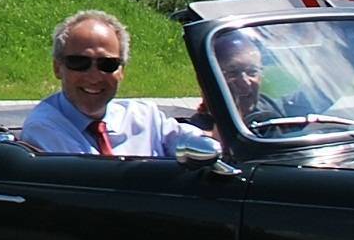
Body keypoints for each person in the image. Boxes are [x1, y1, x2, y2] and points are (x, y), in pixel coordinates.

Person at [19, 9, 214, 157]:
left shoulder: (145, 117)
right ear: (57, 68)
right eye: (79, 63)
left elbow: (204, 144)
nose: (94, 76)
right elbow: (92, 185)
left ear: (122, 71)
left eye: (108, 64)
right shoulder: (44, 129)